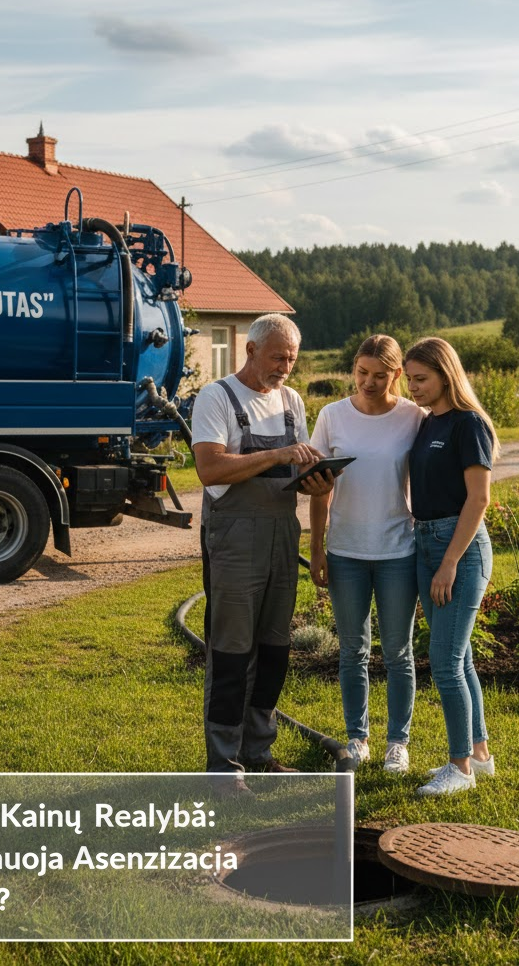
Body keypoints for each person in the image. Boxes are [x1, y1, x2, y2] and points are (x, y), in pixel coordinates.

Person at [191, 313, 332, 785]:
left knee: (275, 649)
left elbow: (298, 475)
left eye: (292, 359)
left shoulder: (291, 400)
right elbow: (210, 471)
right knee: (231, 651)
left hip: (280, 535)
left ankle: (259, 751)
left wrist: (318, 480)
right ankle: (223, 764)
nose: (285, 368)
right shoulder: (217, 397)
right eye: (278, 357)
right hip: (234, 538)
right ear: (249, 350)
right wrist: (277, 454)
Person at [309, 335, 426, 774]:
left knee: (398, 651)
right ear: (353, 369)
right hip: (346, 550)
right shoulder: (332, 416)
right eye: (362, 373)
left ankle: (399, 741)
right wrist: (317, 549)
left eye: (380, 375)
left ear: (397, 374)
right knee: (353, 650)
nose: (369, 382)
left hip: (398, 548)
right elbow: (318, 490)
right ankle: (358, 738)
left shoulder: (414, 418)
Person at [404, 337, 500, 797]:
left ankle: (458, 767)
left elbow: (479, 499)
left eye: (421, 379)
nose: (414, 388)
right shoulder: (427, 423)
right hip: (425, 541)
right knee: (460, 658)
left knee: (444, 662)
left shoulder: (469, 425)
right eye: (410, 380)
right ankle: (479, 755)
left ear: (446, 374)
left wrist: (449, 563)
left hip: (457, 548)